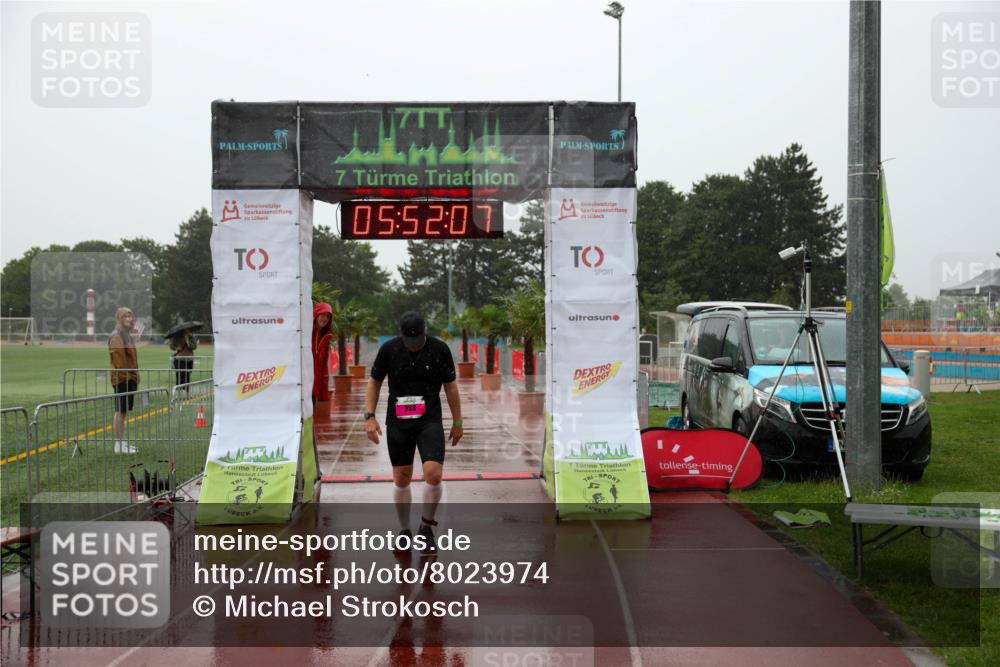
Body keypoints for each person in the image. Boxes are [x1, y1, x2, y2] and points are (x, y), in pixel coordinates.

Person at [364, 311, 463, 555]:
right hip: (398, 421)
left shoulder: (440, 350)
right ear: (400, 334)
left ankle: (426, 528)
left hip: (429, 419)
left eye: (418, 342)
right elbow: (374, 382)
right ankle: (404, 531)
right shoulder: (389, 350)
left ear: (425, 331)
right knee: (401, 477)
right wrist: (370, 416)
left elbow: (450, 387)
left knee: (434, 473)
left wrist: (458, 421)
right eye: (410, 344)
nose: (415, 347)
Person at [109, 307, 142, 454]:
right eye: (126, 316)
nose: (130, 319)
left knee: (123, 411)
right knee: (120, 411)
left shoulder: (126, 335)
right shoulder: (117, 336)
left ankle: (122, 442)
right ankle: (118, 444)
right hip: (123, 379)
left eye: (131, 316)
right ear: (120, 318)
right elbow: (120, 362)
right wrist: (127, 377)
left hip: (129, 378)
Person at [312, 302, 334, 404]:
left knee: (311, 418)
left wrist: (323, 391)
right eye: (322, 315)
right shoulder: (306, 333)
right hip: (302, 386)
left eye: (328, 316)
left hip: (315, 387)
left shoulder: (326, 337)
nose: (325, 318)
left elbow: (324, 366)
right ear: (316, 314)